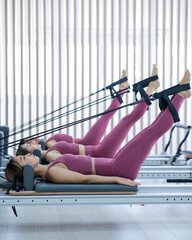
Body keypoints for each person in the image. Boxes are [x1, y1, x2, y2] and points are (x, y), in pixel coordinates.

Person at [5, 69, 191, 186]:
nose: (29, 154)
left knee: (143, 130)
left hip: (113, 162)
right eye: (23, 156)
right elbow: (86, 179)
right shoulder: (52, 171)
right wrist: (118, 179)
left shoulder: (51, 165)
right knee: (149, 132)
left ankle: (174, 94)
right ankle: (180, 95)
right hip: (117, 168)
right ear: (24, 171)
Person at [16, 64, 160, 163]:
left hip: (92, 147)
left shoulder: (49, 145)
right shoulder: (50, 148)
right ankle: (148, 91)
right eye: (30, 144)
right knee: (124, 120)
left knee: (111, 116)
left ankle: (126, 89)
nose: (34, 140)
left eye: (30, 141)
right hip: (96, 150)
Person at [16, 70, 130, 156]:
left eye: (31, 138)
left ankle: (122, 89)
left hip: (86, 142)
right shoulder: (49, 145)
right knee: (106, 116)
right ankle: (122, 90)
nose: (34, 138)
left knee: (106, 116)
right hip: (88, 143)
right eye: (30, 142)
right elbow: (64, 152)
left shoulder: (48, 142)